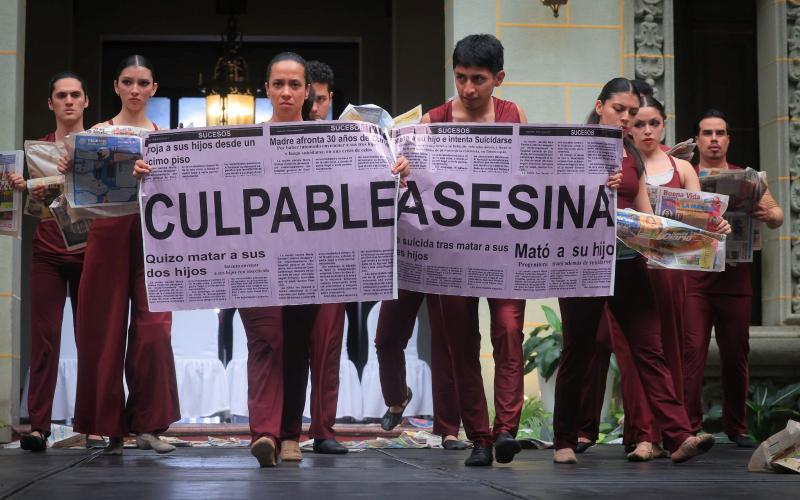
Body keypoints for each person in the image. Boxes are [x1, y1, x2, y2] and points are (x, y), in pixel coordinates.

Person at [135, 52, 409, 467]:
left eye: (294, 85)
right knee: (266, 342)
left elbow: (358, 187)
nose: (286, 92)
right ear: (266, 90)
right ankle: (263, 431)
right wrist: (152, 172)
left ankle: (288, 436)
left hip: (309, 263)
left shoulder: (333, 141)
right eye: (278, 84)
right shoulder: (245, 140)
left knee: (297, 347)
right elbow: (203, 185)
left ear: (307, 92)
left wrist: (393, 170)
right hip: (256, 265)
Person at [552, 77, 715, 465]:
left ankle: (678, 437)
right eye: (619, 110)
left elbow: (646, 214)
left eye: (631, 111)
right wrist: (592, 186)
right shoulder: (573, 146)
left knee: (650, 349)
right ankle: (563, 441)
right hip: (582, 265)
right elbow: (549, 201)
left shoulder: (629, 153)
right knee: (579, 350)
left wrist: (700, 231)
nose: (626, 118)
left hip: (627, 265)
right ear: (599, 106)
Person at [66, 55, 180, 456]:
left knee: (155, 331)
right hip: (108, 233)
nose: (135, 89)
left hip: (154, 238)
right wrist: (71, 168)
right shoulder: (97, 133)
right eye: (128, 82)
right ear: (116, 86)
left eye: (143, 82)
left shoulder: (164, 137)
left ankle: (149, 425)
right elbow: (75, 197)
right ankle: (105, 426)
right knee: (102, 328)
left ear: (154, 88)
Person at [683, 109, 783, 448]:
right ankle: (690, 428)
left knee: (736, 354)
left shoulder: (749, 178)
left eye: (720, 133)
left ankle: (737, 428)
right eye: (707, 133)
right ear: (697, 140)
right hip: (695, 280)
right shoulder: (687, 174)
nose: (713, 139)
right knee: (692, 353)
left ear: (728, 139)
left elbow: (779, 215)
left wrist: (768, 213)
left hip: (735, 280)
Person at [8, 72, 88, 451]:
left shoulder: (97, 143)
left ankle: (94, 422)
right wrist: (18, 189)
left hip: (91, 253)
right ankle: (37, 426)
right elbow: (32, 209)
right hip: (49, 252)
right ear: (51, 103)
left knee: (93, 341)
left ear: (86, 101)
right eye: (61, 95)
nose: (69, 101)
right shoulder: (37, 151)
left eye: (75, 95)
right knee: (44, 340)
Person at [280, 60, 349, 461]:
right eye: (312, 98)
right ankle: (285, 426)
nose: (314, 106)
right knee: (289, 345)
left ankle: (324, 429)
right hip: (288, 254)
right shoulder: (280, 133)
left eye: (320, 99)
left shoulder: (349, 136)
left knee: (327, 345)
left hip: (333, 254)